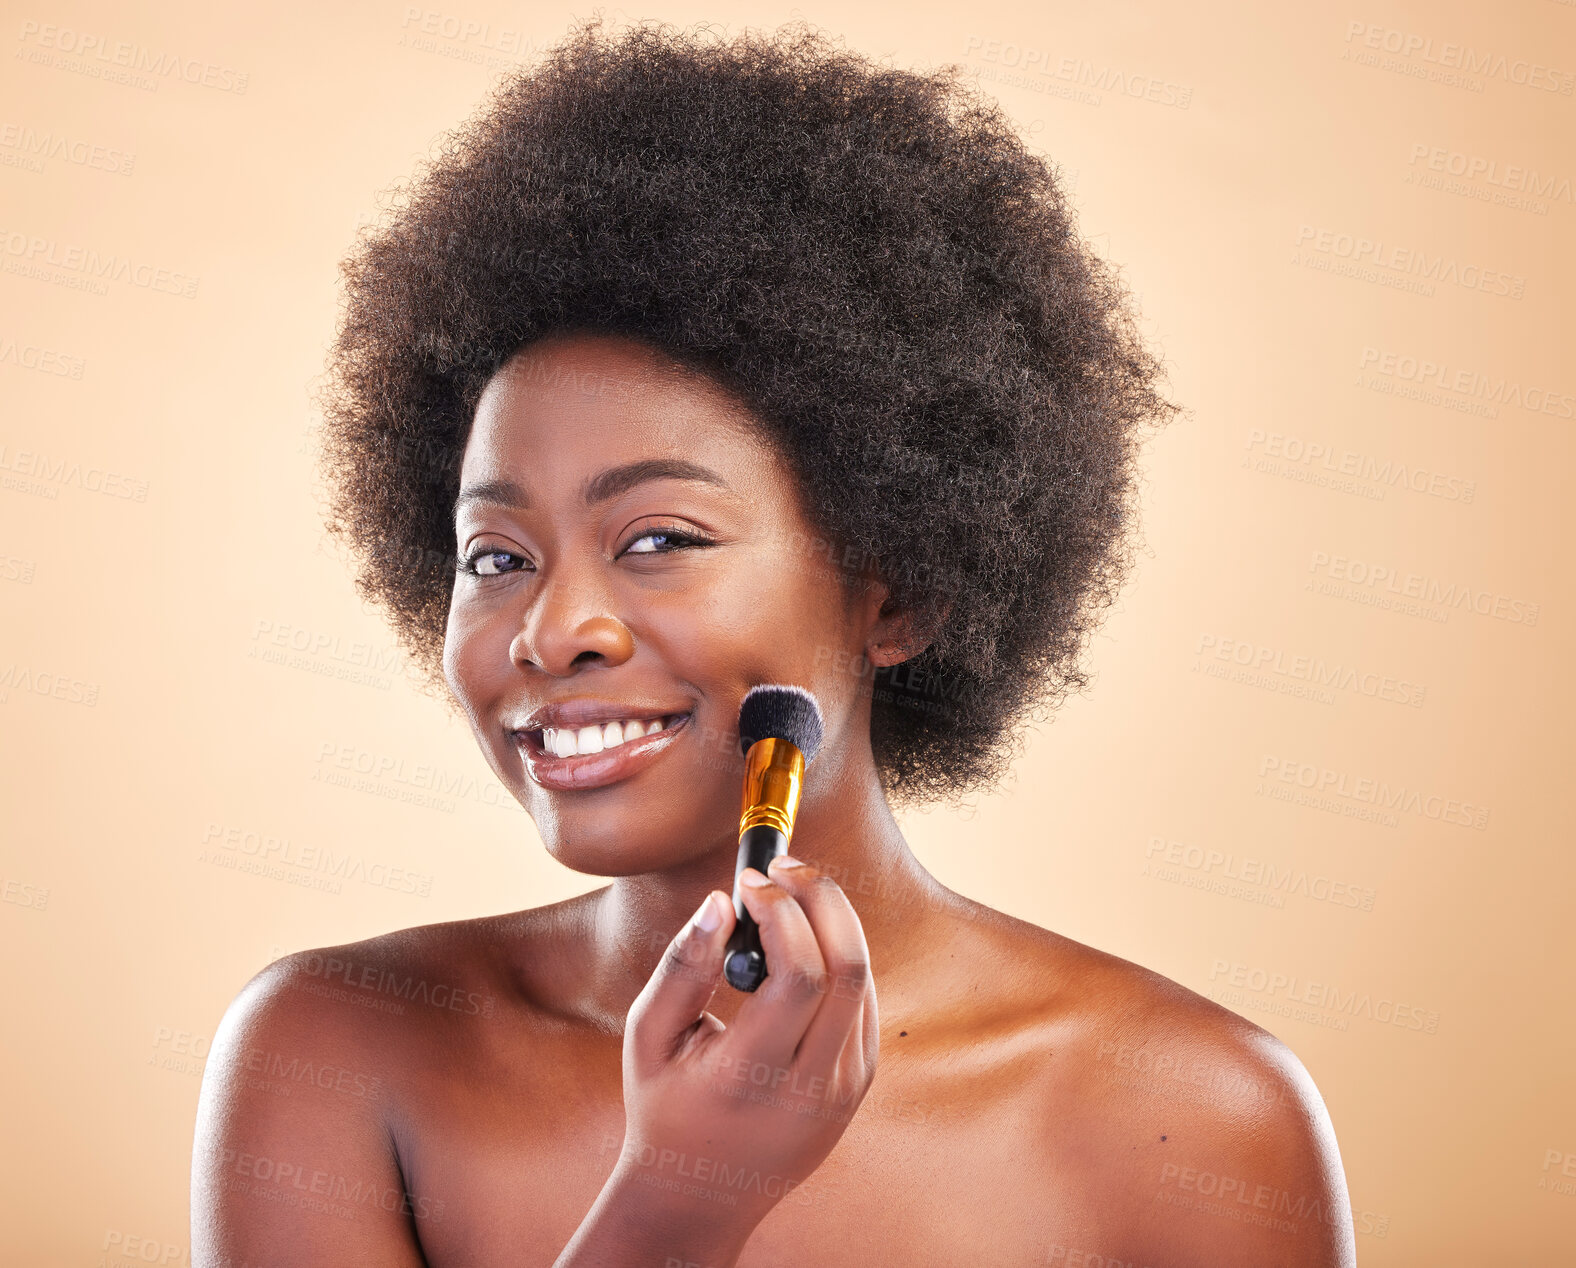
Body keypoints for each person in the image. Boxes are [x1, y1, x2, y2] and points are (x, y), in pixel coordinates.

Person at [192, 17, 1354, 1266]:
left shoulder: (1190, 1115)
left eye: (659, 538)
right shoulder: (339, 1050)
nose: (552, 629)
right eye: (496, 556)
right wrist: (677, 1201)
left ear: (899, 590)